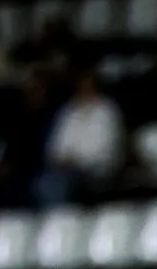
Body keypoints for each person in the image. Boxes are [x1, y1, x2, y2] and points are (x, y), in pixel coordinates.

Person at [36, 69, 123, 207]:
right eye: (81, 87)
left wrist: (79, 160)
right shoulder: (69, 111)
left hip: (97, 169)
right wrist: (62, 159)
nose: (84, 91)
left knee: (57, 185)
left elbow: (107, 148)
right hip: (67, 170)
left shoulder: (107, 110)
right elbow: (55, 146)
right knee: (43, 182)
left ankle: (64, 221)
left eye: (88, 87)